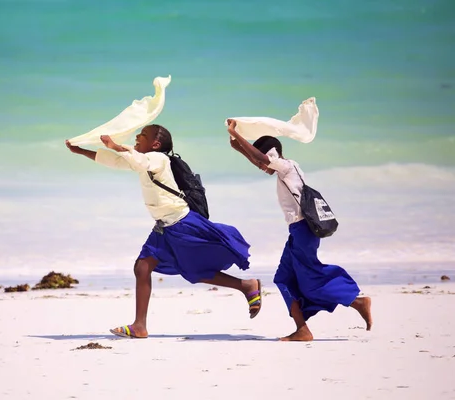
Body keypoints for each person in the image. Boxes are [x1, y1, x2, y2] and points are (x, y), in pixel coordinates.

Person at [65, 124, 262, 339]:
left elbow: (137, 159)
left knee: (194, 271)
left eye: (143, 136)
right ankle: (139, 326)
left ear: (155, 144)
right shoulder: (141, 159)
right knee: (143, 267)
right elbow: (118, 162)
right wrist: (81, 151)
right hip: (164, 226)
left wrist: (115, 145)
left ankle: (246, 285)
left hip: (181, 223)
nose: (137, 138)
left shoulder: (158, 159)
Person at [226, 119, 372, 341]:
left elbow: (260, 158)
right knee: (283, 278)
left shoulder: (287, 166)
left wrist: (237, 136)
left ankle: (357, 300)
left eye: (263, 163)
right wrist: (235, 140)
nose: (261, 168)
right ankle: (302, 329)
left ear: (272, 155)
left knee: (311, 277)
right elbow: (257, 158)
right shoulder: (283, 170)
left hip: (304, 230)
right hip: (297, 232)